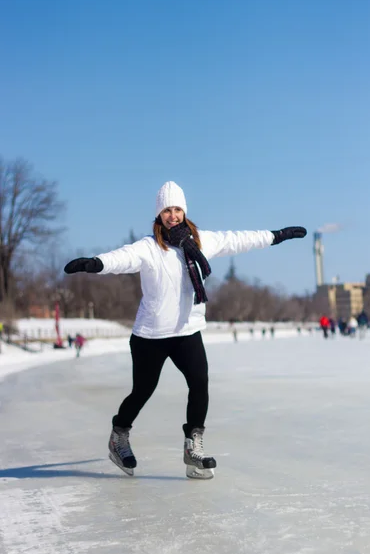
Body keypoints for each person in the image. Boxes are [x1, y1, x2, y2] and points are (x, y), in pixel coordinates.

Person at [64, 181, 307, 479]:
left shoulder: (199, 241)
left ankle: (193, 448)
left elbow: (237, 239)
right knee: (142, 391)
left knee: (199, 383)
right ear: (159, 214)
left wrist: (275, 236)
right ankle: (119, 436)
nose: (173, 215)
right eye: (167, 210)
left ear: (184, 211)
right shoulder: (148, 247)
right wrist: (95, 263)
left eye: (177, 209)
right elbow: (121, 258)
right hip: (150, 335)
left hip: (187, 331)